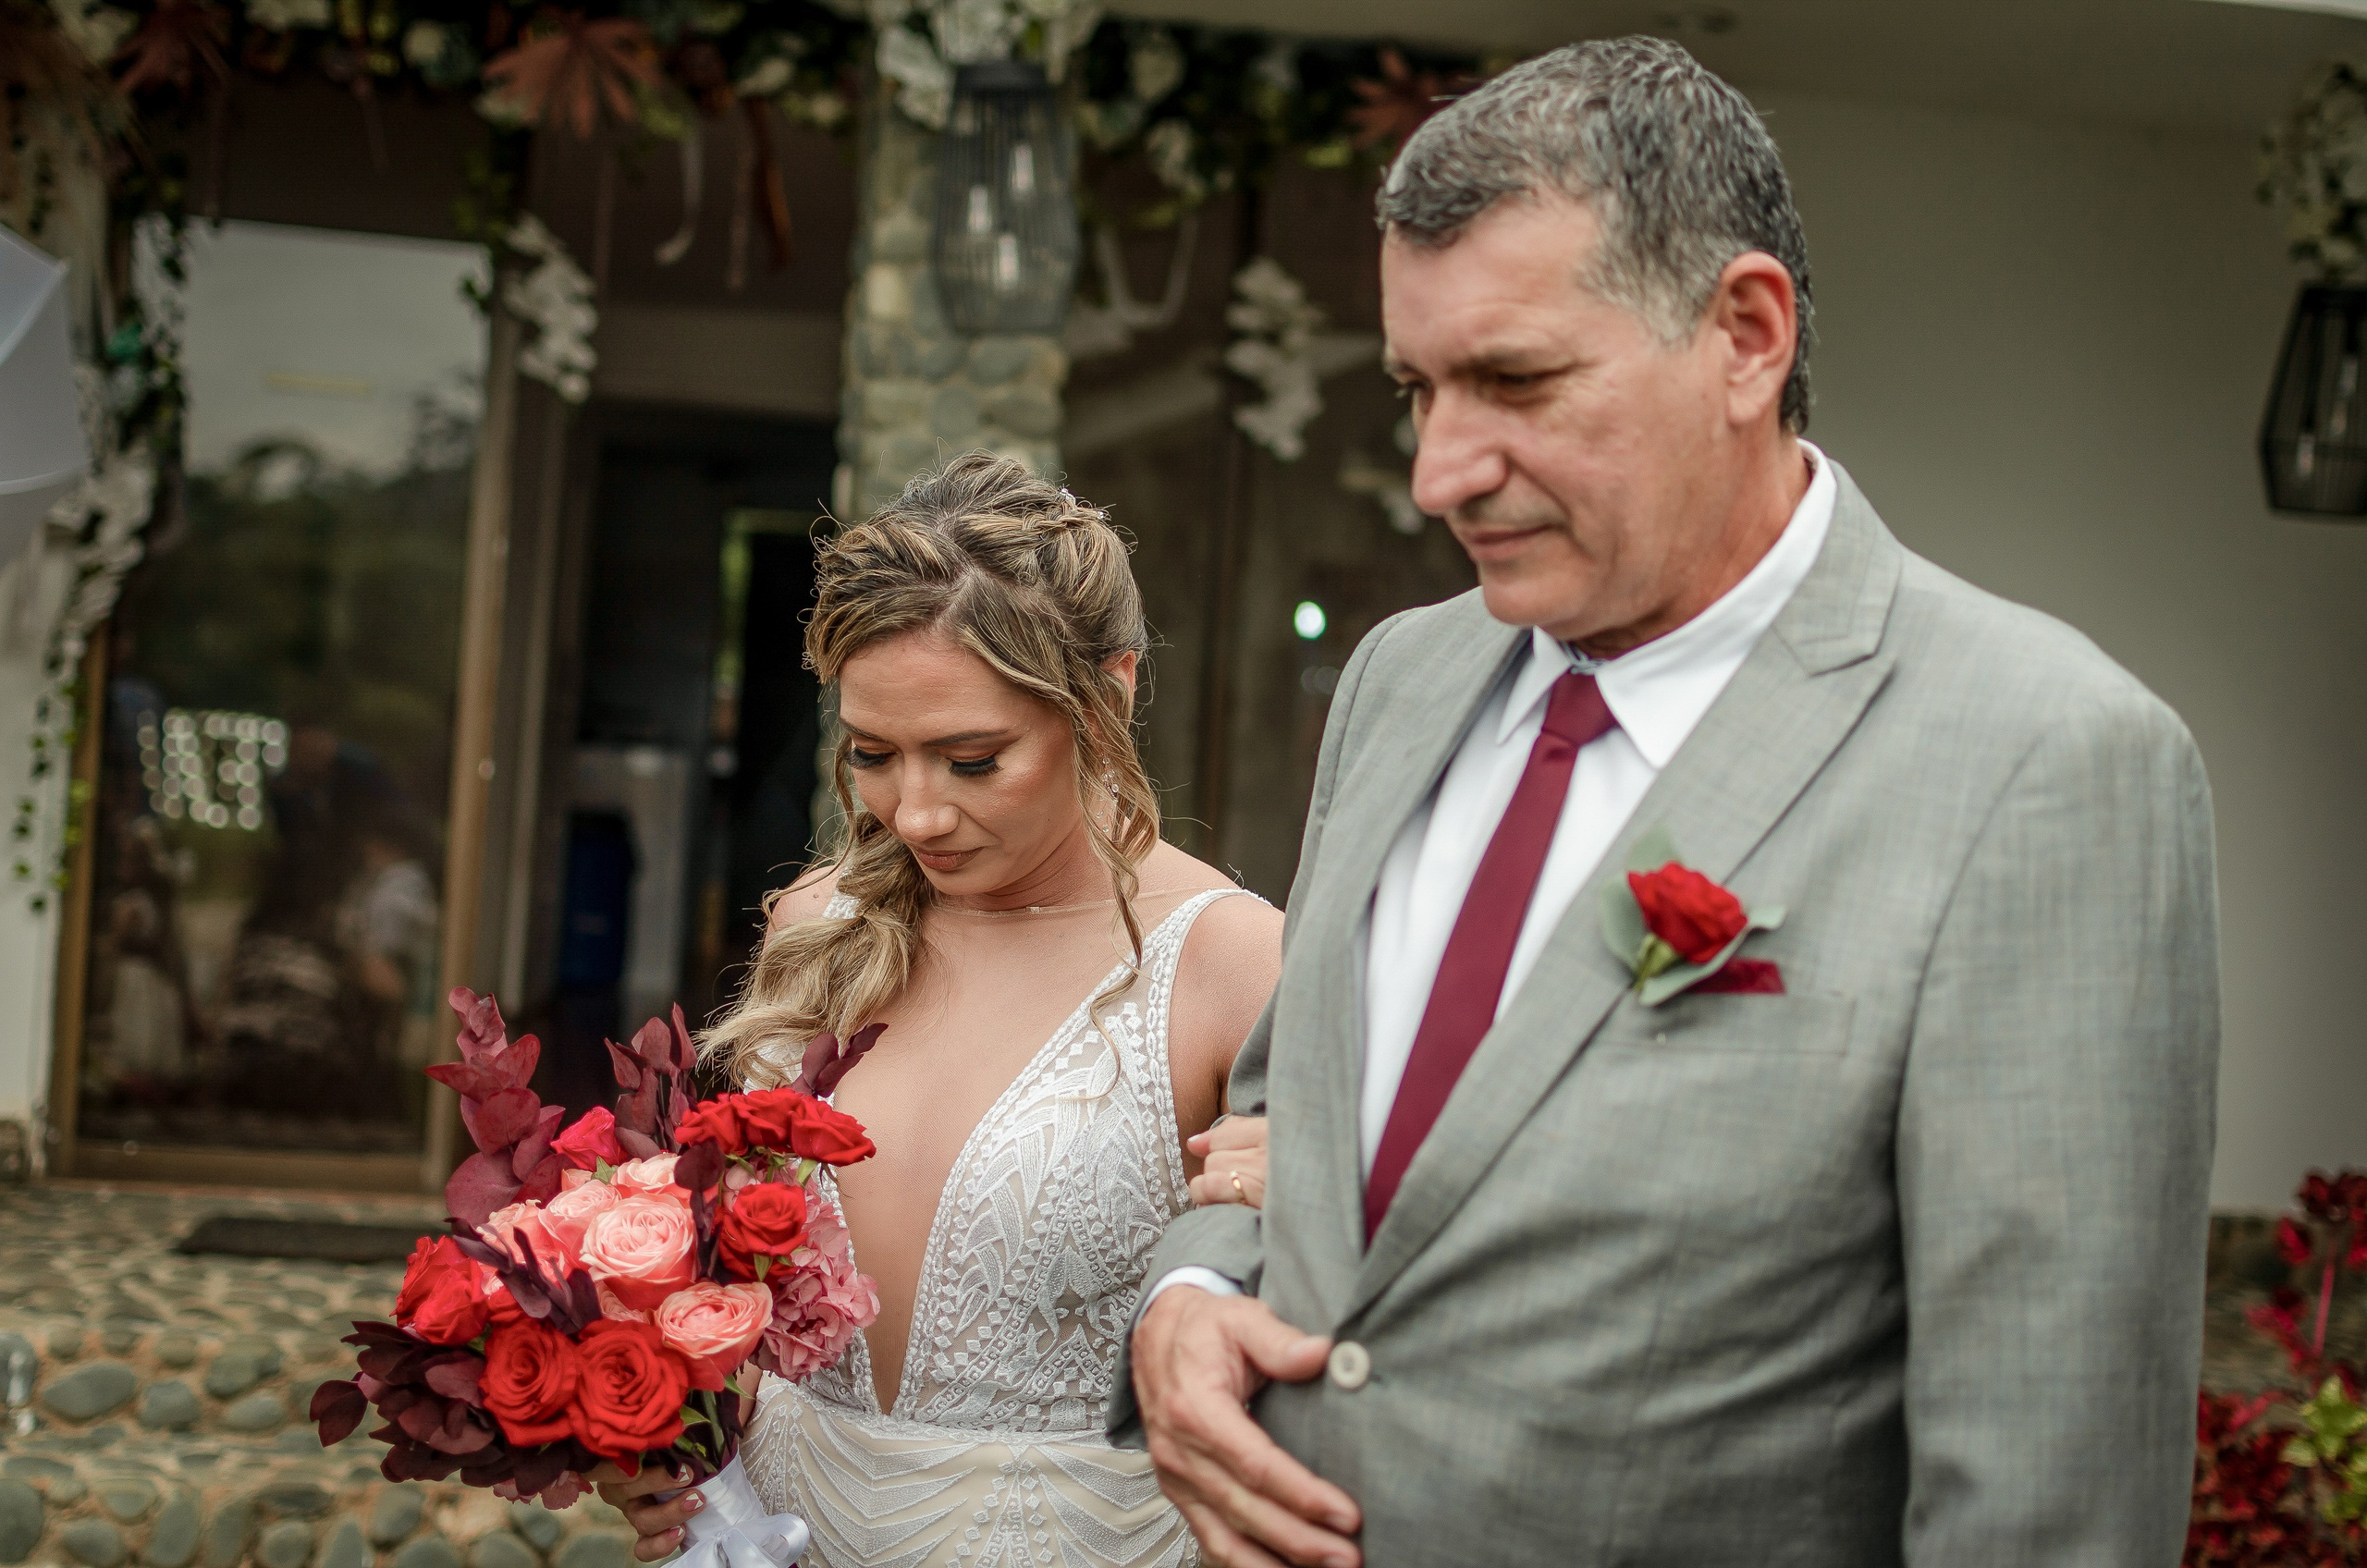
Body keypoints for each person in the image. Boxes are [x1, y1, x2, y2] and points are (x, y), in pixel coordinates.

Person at [1115, 37, 2219, 1568]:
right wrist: (1196, 1292)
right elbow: (1282, 1108)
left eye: (1515, 380)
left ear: (1746, 338)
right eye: (1417, 390)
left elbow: (2047, 1497)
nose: (1438, 472)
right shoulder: (1400, 679)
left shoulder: (2047, 760)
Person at [596, 452, 1282, 1568]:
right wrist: (674, 1435)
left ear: (1105, 694)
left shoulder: (1230, 961)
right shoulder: (818, 924)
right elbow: (742, 1286)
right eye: (872, 754)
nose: (916, 813)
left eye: (972, 759)